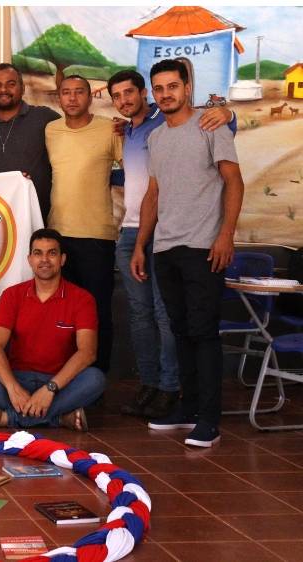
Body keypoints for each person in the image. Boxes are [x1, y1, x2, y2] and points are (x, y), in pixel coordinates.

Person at [107, 69, 236, 419]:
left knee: (172, 320)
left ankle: (172, 389)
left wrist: (229, 111)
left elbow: (226, 143)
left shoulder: (177, 122)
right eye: (117, 96)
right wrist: (136, 243)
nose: (124, 100)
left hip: (179, 237)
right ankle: (151, 385)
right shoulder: (135, 132)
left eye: (130, 93)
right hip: (136, 233)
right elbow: (147, 187)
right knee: (141, 316)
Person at [0, 228, 104, 430]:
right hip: (17, 377)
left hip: (60, 382)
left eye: (52, 253)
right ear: (30, 259)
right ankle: (58, 418)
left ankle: (6, 418)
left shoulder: (82, 299)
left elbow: (87, 352)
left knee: (95, 379)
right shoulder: (12, 295)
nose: (45, 260)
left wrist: (50, 389)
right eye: (38, 253)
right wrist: (13, 389)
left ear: (63, 259)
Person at [44, 75, 122, 374]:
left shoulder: (110, 128)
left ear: (90, 97)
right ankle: (62, 378)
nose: (72, 98)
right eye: (66, 93)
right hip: (57, 235)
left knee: (96, 313)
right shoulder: (50, 130)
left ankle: (95, 380)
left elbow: (137, 168)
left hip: (96, 236)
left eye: (79, 92)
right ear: (59, 98)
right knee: (60, 313)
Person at [0, 63, 61, 221]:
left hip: (37, 221)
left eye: (11, 84)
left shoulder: (45, 118)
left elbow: (73, 136)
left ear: (23, 88)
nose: (3, 90)